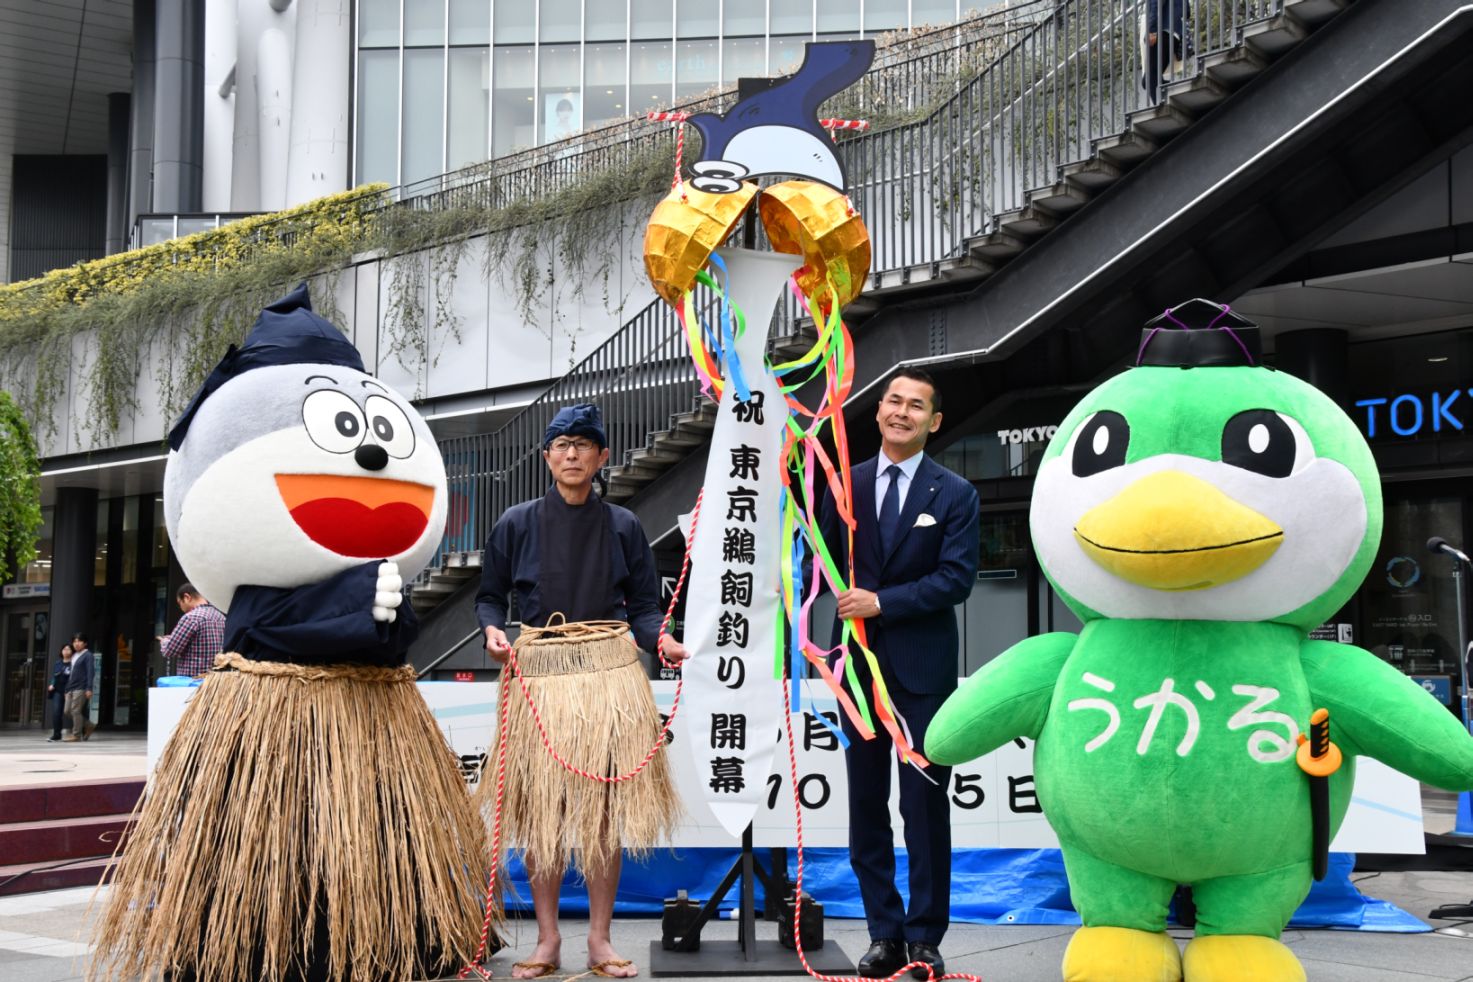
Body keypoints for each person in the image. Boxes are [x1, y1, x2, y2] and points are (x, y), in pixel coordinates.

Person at [475, 402, 689, 980]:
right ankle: (546, 941)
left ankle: (599, 939)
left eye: (582, 445)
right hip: (538, 671)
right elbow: (490, 596)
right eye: (561, 445)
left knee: (598, 815)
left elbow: (644, 607)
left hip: (606, 674)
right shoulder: (515, 523)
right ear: (546, 456)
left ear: (602, 457)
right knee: (544, 814)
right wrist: (494, 631)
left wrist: (662, 640)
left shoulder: (623, 525)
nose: (571, 454)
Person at [818, 367, 980, 979]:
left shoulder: (956, 494)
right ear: (879, 409)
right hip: (857, 670)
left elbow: (955, 580)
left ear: (933, 421)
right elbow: (825, 563)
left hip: (922, 674)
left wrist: (882, 601)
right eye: (893, 401)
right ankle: (882, 932)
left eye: (916, 406)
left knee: (924, 806)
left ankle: (924, 938)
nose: (901, 412)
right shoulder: (843, 487)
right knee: (866, 804)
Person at [158, 583, 227, 677]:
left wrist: (165, 641)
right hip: (215, 682)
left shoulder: (191, 618)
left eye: (179, 603)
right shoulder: (221, 617)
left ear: (187, 597)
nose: (181, 608)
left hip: (193, 681)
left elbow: (169, 651)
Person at [1143, 0, 1191, 105]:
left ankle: (1160, 108)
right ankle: (1172, 95)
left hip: (1161, 32)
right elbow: (1187, 11)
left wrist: (1151, 30)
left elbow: (1156, 5)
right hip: (1175, 34)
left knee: (1150, 77)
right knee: (1149, 79)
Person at [64, 632, 96, 742]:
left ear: (85, 643)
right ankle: (89, 725)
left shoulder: (88, 655)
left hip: (81, 687)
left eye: (79, 641)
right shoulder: (74, 655)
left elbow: (90, 672)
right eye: (75, 641)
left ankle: (76, 735)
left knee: (75, 711)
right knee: (67, 711)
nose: (76, 643)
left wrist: (89, 688)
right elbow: (72, 673)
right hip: (71, 687)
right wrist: (67, 689)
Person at [46, 644, 72, 742]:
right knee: (56, 713)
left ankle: (81, 730)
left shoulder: (74, 663)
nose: (66, 651)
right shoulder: (58, 663)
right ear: (61, 651)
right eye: (64, 649)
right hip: (57, 691)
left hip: (70, 691)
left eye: (68, 649)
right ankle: (57, 734)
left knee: (73, 712)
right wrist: (52, 684)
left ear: (72, 651)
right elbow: (55, 676)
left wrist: (68, 690)